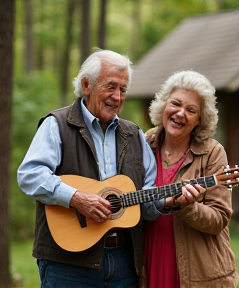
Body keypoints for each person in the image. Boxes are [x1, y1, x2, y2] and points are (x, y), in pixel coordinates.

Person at [17, 49, 157, 288]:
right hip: (67, 262)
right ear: (86, 84)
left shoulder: (134, 134)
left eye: (123, 90)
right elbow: (30, 175)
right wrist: (76, 198)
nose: (117, 97)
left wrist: (173, 201)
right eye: (110, 87)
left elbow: (149, 200)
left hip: (123, 261)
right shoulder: (57, 124)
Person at [142, 70, 237, 288]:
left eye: (191, 110)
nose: (180, 113)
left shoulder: (212, 153)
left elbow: (219, 218)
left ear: (199, 121)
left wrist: (188, 208)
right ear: (164, 105)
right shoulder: (145, 143)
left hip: (198, 270)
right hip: (150, 259)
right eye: (175, 103)